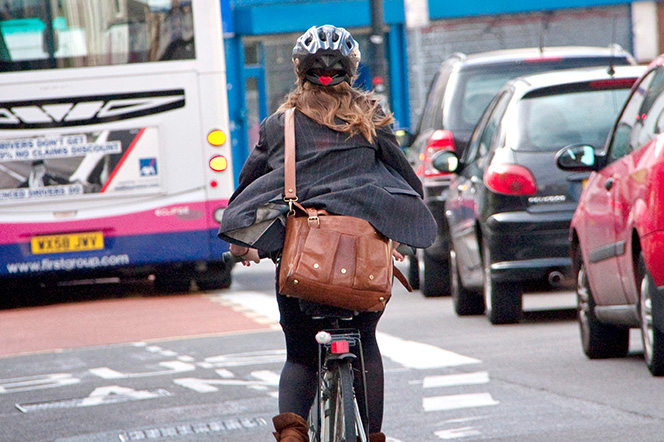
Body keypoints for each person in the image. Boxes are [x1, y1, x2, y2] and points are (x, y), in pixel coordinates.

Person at [218, 24, 436, 442]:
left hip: (302, 264)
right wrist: (398, 231)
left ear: (300, 73)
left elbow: (248, 189)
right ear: (350, 73)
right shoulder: (370, 119)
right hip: (363, 260)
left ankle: (293, 434)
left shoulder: (279, 125)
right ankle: (372, 435)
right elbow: (406, 180)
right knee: (365, 342)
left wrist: (248, 243)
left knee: (300, 354)